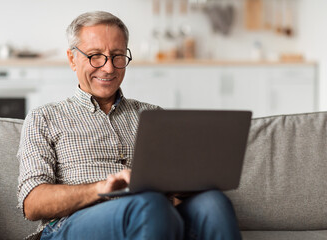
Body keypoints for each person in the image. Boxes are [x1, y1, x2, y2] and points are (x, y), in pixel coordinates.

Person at [17, 11, 242, 240]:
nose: (109, 68)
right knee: (148, 205)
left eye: (117, 56)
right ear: (72, 59)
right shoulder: (44, 117)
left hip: (156, 213)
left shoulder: (153, 116)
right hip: (74, 224)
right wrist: (100, 189)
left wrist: (191, 181)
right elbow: (33, 204)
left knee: (213, 202)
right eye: (95, 56)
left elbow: (177, 188)